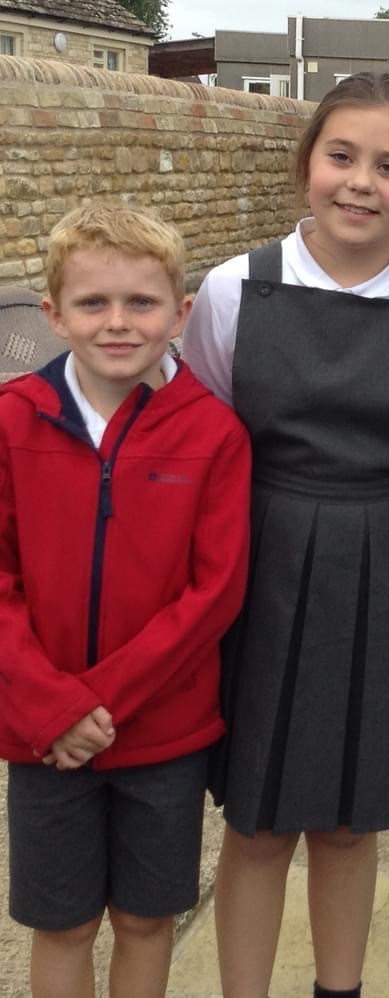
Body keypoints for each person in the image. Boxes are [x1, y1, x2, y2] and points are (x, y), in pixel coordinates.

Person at [183, 71, 389, 998]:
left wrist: (359, 506)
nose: (361, 182)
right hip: (262, 564)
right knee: (261, 819)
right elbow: (202, 436)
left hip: (380, 568)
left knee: (352, 819)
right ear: (307, 163)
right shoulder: (235, 291)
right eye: (342, 156)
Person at [0, 203, 251, 998]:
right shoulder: (12, 421)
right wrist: (51, 707)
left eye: (141, 303)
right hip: (44, 738)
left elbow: (213, 592)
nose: (117, 323)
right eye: (92, 303)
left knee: (146, 920)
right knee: (65, 924)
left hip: (162, 736)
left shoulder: (214, 433)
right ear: (53, 314)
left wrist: (97, 703)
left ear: (180, 313)